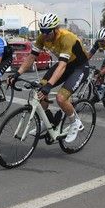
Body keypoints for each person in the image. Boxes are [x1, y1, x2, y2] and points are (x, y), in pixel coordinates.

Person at [12, 13, 89, 143]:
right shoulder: (42, 38)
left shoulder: (67, 38)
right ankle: (46, 122)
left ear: (56, 29)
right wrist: (17, 74)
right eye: (42, 31)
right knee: (40, 90)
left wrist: (49, 85)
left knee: (60, 98)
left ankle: (75, 122)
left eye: (48, 31)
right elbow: (31, 57)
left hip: (79, 67)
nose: (45, 34)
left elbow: (62, 65)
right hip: (63, 65)